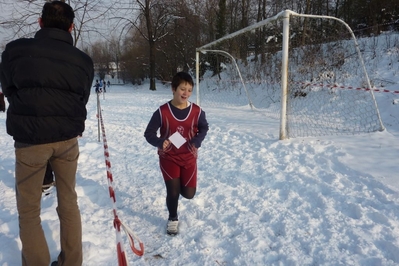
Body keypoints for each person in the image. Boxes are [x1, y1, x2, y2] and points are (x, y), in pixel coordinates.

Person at [0, 1, 94, 265]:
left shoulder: (15, 51)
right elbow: (81, 98)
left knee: (29, 211)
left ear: (40, 22)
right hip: (66, 140)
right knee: (69, 202)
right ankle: (72, 261)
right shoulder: (83, 61)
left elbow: (9, 89)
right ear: (71, 26)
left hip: (30, 141)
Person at [144, 72, 209, 235]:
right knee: (172, 192)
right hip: (169, 157)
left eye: (189, 90)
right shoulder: (162, 111)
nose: (185, 93)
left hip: (189, 157)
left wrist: (197, 141)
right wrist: (160, 142)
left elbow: (204, 128)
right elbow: (149, 133)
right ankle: (173, 218)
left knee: (188, 194)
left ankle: (180, 185)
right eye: (182, 89)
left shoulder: (197, 111)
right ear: (173, 89)